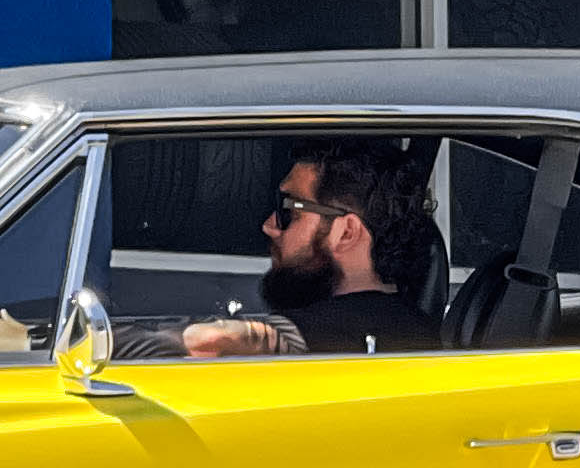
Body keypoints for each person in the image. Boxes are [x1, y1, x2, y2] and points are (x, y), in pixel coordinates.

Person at [173, 141, 445, 356]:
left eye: (290, 212)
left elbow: (212, 341)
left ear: (346, 233)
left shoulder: (322, 333)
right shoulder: (421, 334)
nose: (270, 226)